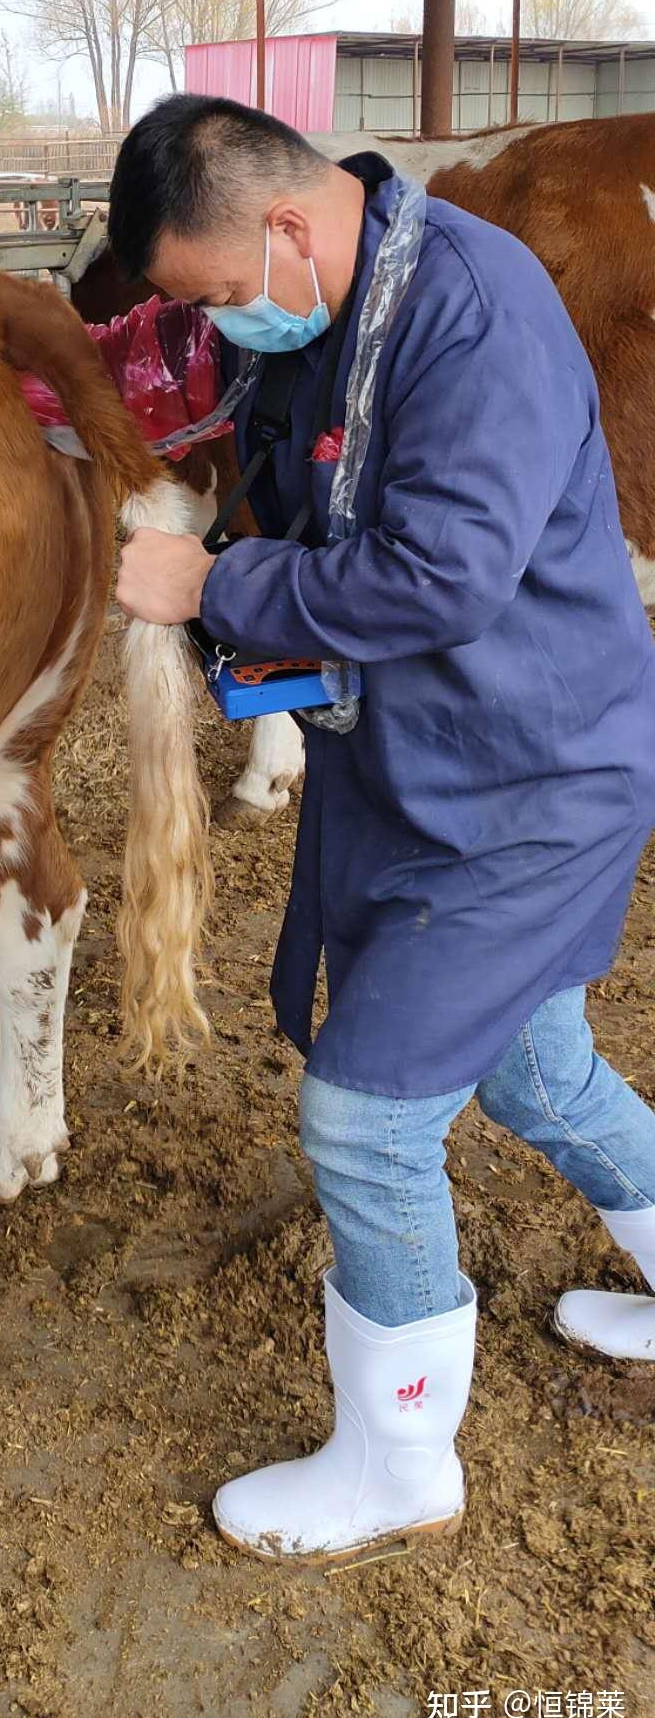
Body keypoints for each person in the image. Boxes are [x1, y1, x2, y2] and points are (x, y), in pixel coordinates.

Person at [109, 94, 655, 1568]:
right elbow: (303, 506)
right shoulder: (332, 307)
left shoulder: (471, 315)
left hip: (530, 787)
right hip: (432, 763)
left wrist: (211, 592)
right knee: (543, 1072)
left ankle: (400, 1460)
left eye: (224, 297)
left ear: (287, 227)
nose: (228, 327)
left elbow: (439, 579)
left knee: (366, 1123)